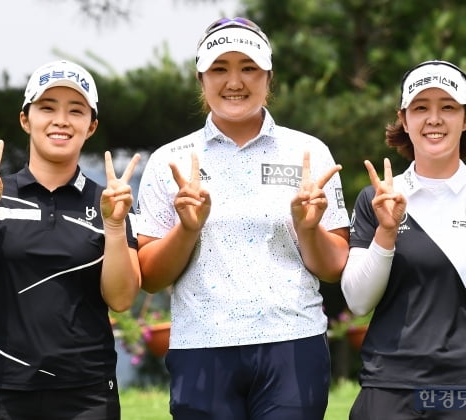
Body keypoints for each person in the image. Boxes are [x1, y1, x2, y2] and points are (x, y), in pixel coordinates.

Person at [135, 17, 350, 419]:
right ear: (201, 79)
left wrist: (308, 228)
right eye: (220, 68)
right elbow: (149, 277)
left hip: (292, 344)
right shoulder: (170, 160)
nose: (234, 81)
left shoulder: (308, 153)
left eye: (248, 67)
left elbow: (335, 265)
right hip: (202, 346)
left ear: (269, 78)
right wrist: (187, 228)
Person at [0, 60, 142, 420]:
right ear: (26, 119)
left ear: (90, 125)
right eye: (47, 108)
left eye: (76, 110)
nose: (61, 120)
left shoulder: (109, 203)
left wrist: (114, 226)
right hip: (1, 391)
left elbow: (123, 297)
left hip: (88, 394)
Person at [341, 60, 466, 419]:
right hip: (388, 383)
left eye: (447, 107)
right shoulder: (379, 197)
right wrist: (386, 231)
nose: (434, 119)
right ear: (404, 118)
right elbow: (357, 300)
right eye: (420, 108)